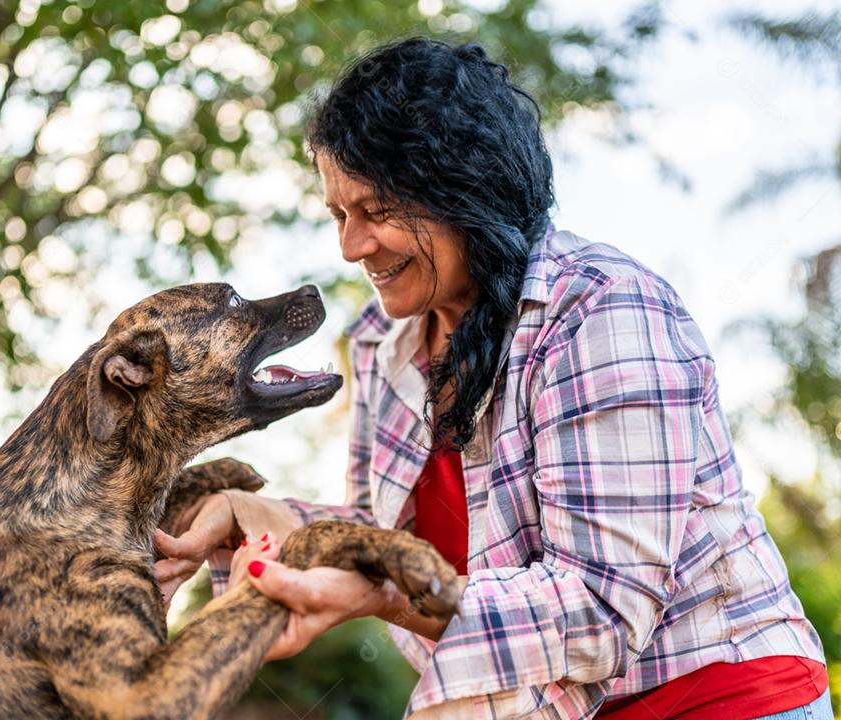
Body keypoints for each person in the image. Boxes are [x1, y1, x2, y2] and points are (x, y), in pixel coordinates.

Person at [154, 38, 831, 719]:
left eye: (377, 212)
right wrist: (251, 522)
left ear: (464, 191)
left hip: (717, 698)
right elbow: (384, 531)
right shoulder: (380, 339)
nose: (352, 247)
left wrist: (386, 592)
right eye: (339, 214)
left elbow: (599, 609)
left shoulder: (604, 311)